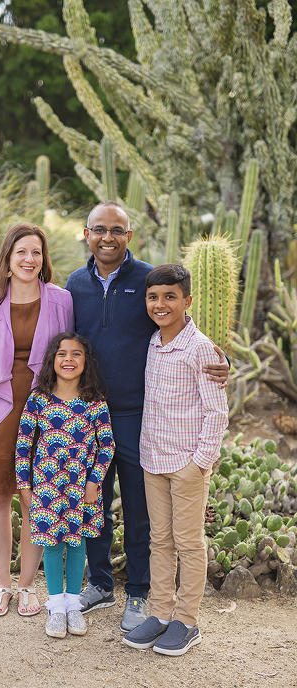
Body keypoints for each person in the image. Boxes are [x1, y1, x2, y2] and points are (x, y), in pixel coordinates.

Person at [65, 201, 230, 632]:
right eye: (99, 229)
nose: (107, 237)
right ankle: (99, 582)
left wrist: (221, 357)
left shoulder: (147, 280)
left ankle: (139, 592)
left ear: (129, 236)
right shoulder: (75, 284)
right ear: (87, 234)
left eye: (117, 230)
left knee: (140, 509)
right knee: (93, 500)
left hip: (140, 417)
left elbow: (179, 323)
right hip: (90, 413)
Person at [122, 264, 228, 655]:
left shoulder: (200, 347)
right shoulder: (154, 342)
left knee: (188, 543)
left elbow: (216, 411)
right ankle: (161, 612)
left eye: (170, 297)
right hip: (153, 459)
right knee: (159, 540)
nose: (160, 304)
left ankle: (187, 620)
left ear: (187, 300)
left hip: (186, 464)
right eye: (153, 297)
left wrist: (201, 462)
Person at [0, 223, 74, 617]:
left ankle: (29, 585)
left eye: (36, 252)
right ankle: (2, 584)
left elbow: (73, 353)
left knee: (38, 498)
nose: (29, 259)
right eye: (21, 253)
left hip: (46, 411)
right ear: (8, 260)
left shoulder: (62, 300)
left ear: (43, 259)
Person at [15, 332, 115, 638]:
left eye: (76, 354)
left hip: (81, 488)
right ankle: (56, 607)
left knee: (77, 543)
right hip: (47, 487)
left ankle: (74, 605)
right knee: (52, 543)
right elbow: (23, 446)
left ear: (86, 362)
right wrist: (25, 487)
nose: (68, 359)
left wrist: (95, 481)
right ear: (51, 360)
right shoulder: (39, 399)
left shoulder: (94, 401)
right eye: (62, 354)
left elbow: (107, 445)